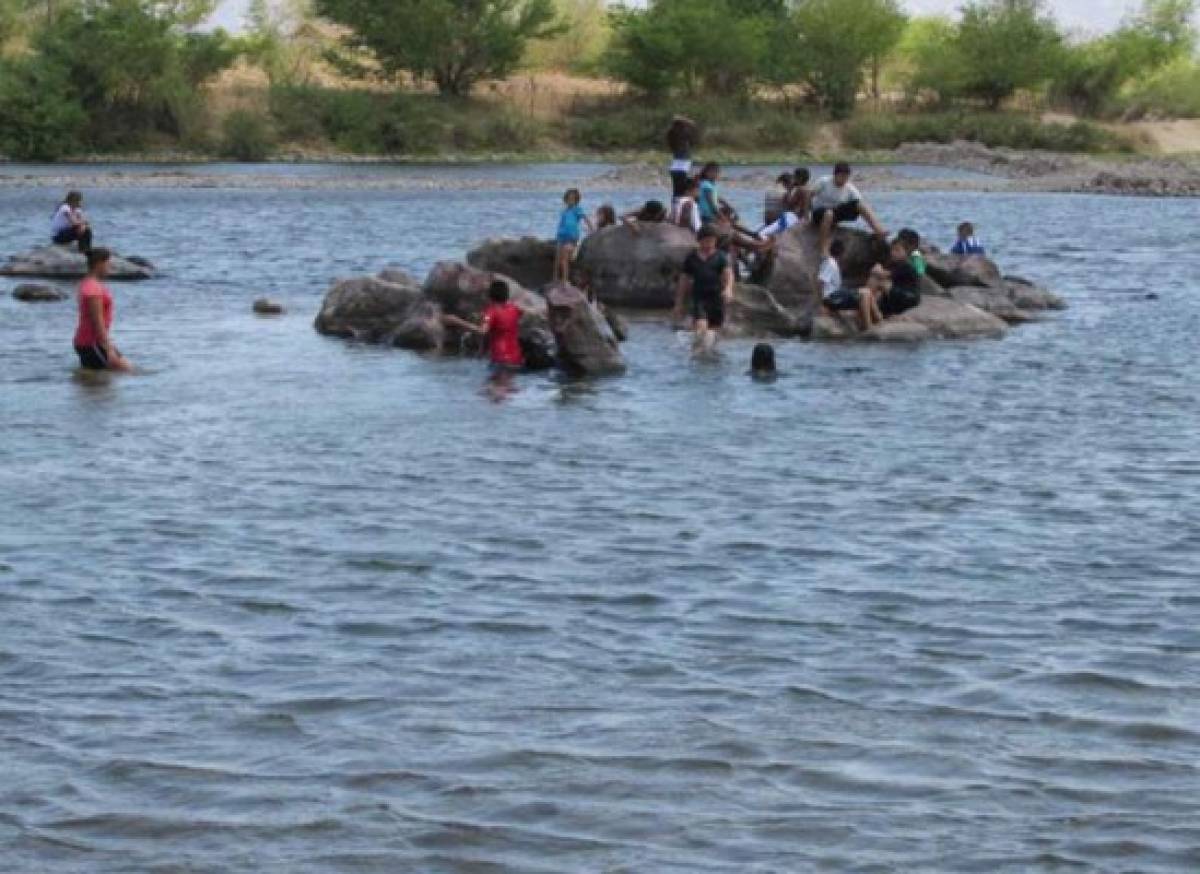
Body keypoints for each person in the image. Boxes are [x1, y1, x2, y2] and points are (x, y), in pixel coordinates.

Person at [674, 224, 734, 354]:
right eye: (705, 241)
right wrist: (679, 303)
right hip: (699, 298)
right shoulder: (691, 258)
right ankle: (697, 355)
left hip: (716, 298)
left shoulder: (721, 257)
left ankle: (711, 357)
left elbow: (728, 275)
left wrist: (728, 289)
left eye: (711, 241)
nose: (708, 245)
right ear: (699, 240)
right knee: (701, 329)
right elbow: (683, 280)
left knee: (714, 333)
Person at [441, 281, 525, 371]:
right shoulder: (514, 309)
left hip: (501, 359)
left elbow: (482, 331)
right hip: (516, 359)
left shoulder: (491, 311)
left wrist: (456, 321)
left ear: (490, 296)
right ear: (506, 295)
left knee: (493, 385)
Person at [73, 248, 133, 372]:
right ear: (99, 264)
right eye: (108, 264)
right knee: (126, 370)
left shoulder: (89, 284)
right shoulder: (92, 289)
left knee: (99, 381)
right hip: (91, 343)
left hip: (90, 342)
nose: (109, 268)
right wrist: (108, 348)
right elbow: (97, 321)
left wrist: (109, 345)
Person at [810, 162, 887, 257]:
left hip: (835, 212)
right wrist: (805, 215)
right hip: (819, 213)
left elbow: (861, 202)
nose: (844, 179)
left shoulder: (849, 187)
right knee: (828, 213)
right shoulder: (824, 181)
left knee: (859, 204)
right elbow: (808, 195)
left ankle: (878, 230)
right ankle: (823, 248)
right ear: (835, 175)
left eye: (846, 177)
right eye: (841, 176)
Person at [821, 239, 881, 332]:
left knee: (867, 292)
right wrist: (823, 303)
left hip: (836, 295)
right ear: (842, 253)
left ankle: (878, 319)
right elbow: (821, 281)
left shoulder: (832, 263)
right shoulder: (830, 263)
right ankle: (868, 327)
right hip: (832, 298)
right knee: (865, 293)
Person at [555, 188, 593, 283]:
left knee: (566, 259)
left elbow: (585, 218)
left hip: (572, 237)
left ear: (576, 200)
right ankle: (556, 279)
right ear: (566, 199)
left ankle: (565, 280)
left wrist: (592, 229)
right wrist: (558, 235)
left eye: (573, 199)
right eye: (569, 199)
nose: (570, 201)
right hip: (562, 236)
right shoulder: (564, 211)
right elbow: (561, 223)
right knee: (559, 260)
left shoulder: (577, 210)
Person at [880, 238, 922, 318]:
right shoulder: (895, 263)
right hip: (900, 292)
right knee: (884, 286)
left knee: (884, 285)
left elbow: (885, 274)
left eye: (897, 250)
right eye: (892, 250)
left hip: (910, 296)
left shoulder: (906, 265)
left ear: (906, 252)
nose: (893, 253)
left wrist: (877, 270)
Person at [666, 116, 698, 201]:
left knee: (677, 192)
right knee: (681, 192)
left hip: (677, 167)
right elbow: (692, 126)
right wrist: (689, 121)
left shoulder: (673, 136)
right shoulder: (681, 137)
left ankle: (676, 207)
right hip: (681, 167)